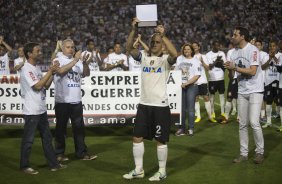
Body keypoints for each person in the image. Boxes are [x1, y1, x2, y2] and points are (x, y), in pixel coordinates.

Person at [123, 18, 177, 181]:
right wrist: (133, 29)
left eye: (157, 42)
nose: (154, 43)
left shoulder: (165, 61)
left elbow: (175, 54)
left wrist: (163, 35)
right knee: (137, 137)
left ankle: (162, 171)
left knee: (160, 140)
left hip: (160, 106)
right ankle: (139, 170)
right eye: (152, 41)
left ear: (162, 45)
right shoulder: (144, 58)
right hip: (144, 105)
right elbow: (128, 48)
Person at [20, 42, 66, 174]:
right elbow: (38, 86)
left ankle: (53, 164)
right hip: (32, 110)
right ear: (29, 54)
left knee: (47, 138)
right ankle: (24, 166)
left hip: (40, 109)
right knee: (28, 140)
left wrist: (53, 72)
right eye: (37, 51)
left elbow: (46, 85)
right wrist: (50, 71)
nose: (40, 53)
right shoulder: (26, 69)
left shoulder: (36, 68)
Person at [224, 27, 264, 164]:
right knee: (242, 123)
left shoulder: (253, 50)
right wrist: (229, 69)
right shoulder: (233, 53)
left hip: (255, 90)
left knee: (254, 122)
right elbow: (232, 76)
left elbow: (253, 71)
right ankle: (243, 153)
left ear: (242, 37)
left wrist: (235, 68)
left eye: (235, 34)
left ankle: (260, 152)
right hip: (242, 90)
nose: (232, 37)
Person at [53, 39, 97, 161]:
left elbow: (86, 74)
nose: (71, 49)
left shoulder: (77, 61)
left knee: (79, 129)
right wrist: (76, 60)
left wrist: (85, 63)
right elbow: (60, 71)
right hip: (62, 101)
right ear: (62, 48)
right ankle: (59, 154)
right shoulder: (57, 59)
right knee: (61, 129)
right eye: (68, 47)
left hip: (76, 100)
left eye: (72, 47)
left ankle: (81, 153)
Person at [174, 43, 201, 136]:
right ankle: (181, 128)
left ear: (192, 51)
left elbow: (197, 76)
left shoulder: (196, 61)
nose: (186, 51)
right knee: (181, 109)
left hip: (192, 86)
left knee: (190, 109)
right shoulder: (179, 59)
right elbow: (175, 71)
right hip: (180, 86)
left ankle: (190, 128)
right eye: (185, 49)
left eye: (188, 49)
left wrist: (186, 83)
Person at [192, 42, 217, 123]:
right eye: (193, 46)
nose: (194, 47)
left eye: (196, 46)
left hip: (202, 80)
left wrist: (202, 61)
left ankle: (210, 116)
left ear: (199, 47)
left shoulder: (203, 56)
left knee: (206, 97)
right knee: (196, 98)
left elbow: (207, 68)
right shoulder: (190, 57)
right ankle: (198, 116)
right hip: (194, 81)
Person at [205, 40, 227, 120]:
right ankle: (213, 112)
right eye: (216, 45)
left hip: (221, 78)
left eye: (219, 45)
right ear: (213, 46)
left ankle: (222, 112)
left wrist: (219, 62)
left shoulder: (222, 53)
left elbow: (224, 65)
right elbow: (210, 67)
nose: (218, 47)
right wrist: (216, 61)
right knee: (212, 96)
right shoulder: (208, 54)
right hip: (212, 78)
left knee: (221, 95)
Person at [261, 40, 280, 128]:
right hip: (268, 82)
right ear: (269, 47)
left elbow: (280, 65)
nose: (272, 47)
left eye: (274, 46)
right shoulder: (265, 56)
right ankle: (268, 121)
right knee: (268, 102)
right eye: (270, 46)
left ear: (276, 47)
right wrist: (269, 59)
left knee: (279, 102)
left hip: (278, 82)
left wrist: (274, 57)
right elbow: (263, 67)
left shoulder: (280, 55)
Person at [220, 42, 238, 123]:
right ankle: (226, 117)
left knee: (241, 99)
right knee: (229, 97)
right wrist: (231, 74)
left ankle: (240, 117)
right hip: (233, 77)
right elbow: (228, 65)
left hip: (243, 78)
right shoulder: (231, 52)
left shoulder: (245, 51)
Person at [255, 40, 268, 123]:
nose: (257, 46)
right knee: (256, 98)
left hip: (262, 79)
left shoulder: (264, 54)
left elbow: (264, 66)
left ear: (262, 46)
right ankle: (258, 115)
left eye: (259, 45)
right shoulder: (252, 54)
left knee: (262, 98)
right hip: (254, 79)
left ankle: (263, 115)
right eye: (256, 45)